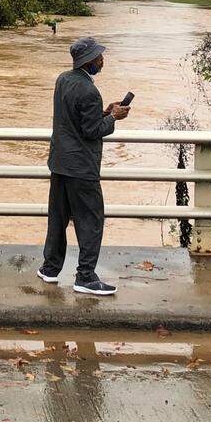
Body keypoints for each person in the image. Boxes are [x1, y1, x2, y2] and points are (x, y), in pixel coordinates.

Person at [37, 36, 130, 295]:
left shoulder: (63, 79)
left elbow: (73, 117)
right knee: (91, 221)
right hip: (81, 167)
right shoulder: (89, 90)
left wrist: (103, 111)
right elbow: (91, 131)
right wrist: (113, 117)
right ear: (89, 61)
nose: (102, 61)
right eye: (99, 58)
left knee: (58, 218)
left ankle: (50, 268)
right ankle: (85, 276)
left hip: (59, 162)